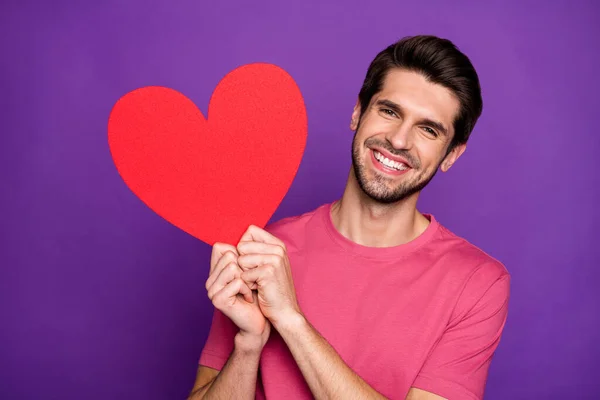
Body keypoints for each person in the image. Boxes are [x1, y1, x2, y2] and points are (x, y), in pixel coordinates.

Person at [187, 35, 510, 400]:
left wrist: (292, 322)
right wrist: (248, 345)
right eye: (389, 111)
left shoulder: (476, 283)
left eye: (428, 129)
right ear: (358, 112)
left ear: (452, 154)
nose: (399, 140)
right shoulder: (263, 251)